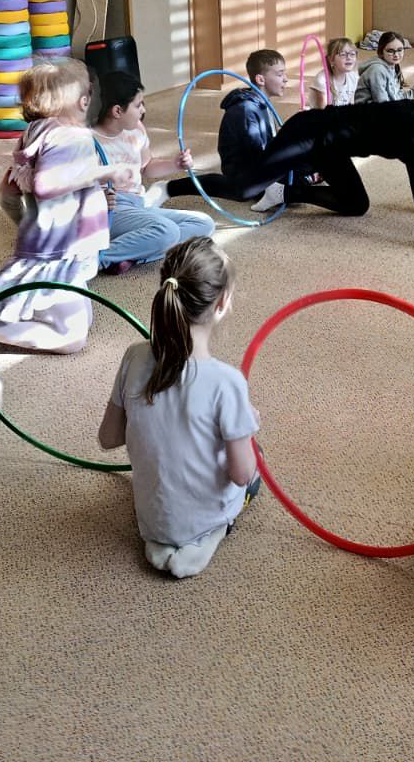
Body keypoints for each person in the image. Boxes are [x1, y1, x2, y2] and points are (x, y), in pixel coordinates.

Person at [98, 239, 260, 579]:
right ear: (222, 303)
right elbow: (241, 474)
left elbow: (108, 438)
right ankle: (212, 531)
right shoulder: (227, 382)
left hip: (151, 518)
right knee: (255, 467)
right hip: (205, 513)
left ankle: (160, 537)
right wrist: (245, 425)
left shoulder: (134, 356)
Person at [0, 59, 127, 350]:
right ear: (83, 101)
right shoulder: (73, 137)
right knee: (72, 340)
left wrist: (29, 224)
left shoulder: (35, 131)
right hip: (61, 251)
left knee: (82, 317)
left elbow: (7, 191)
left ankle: (0, 296)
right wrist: (104, 172)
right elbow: (47, 185)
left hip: (53, 245)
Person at [229, 77, 414, 259]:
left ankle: (284, 192)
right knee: (244, 189)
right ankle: (202, 185)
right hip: (307, 134)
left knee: (356, 205)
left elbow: (402, 151)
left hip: (331, 149)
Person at [93, 71, 215, 276]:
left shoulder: (136, 129)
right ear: (117, 111)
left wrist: (176, 164)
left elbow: (147, 166)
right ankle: (99, 259)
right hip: (111, 208)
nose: (143, 110)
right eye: (138, 105)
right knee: (167, 231)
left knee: (204, 224)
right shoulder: (90, 140)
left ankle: (133, 255)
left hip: (138, 204)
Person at [165, 49, 289, 213]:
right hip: (244, 173)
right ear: (260, 79)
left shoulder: (261, 104)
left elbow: (271, 142)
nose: (286, 79)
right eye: (280, 74)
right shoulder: (246, 110)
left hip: (260, 163)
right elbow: (258, 155)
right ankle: (169, 188)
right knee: (249, 191)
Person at [356, 31, 414, 103]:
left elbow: (398, 98)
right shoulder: (377, 71)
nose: (396, 54)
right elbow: (383, 104)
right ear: (381, 52)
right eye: (390, 51)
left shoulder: (394, 67)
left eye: (399, 50)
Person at [306, 37, 360, 108]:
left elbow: (351, 103)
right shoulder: (322, 80)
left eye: (352, 54)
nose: (349, 57)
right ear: (331, 59)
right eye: (343, 54)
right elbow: (323, 110)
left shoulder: (353, 77)